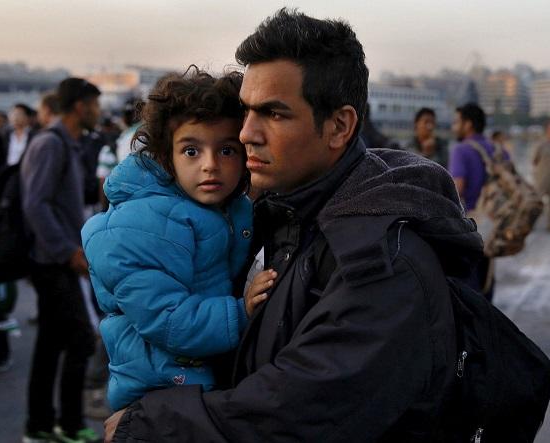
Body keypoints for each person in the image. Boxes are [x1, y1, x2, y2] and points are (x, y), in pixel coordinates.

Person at [103, 9, 483, 442]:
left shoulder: (382, 263)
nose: (246, 133)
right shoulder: (275, 216)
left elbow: (293, 415)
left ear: (339, 126)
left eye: (273, 114)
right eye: (246, 111)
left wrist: (148, 425)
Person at [82, 67, 271, 413]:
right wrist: (240, 311)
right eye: (191, 151)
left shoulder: (225, 208)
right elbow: (167, 319)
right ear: (166, 155)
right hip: (158, 388)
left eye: (227, 150)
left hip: (195, 379)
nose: (210, 165)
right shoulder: (142, 224)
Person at [20, 78, 101, 443]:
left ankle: (39, 425)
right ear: (80, 106)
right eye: (95, 105)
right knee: (81, 338)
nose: (98, 112)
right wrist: (68, 251)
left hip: (56, 257)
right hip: (52, 261)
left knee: (51, 343)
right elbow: (35, 204)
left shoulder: (65, 143)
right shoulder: (51, 144)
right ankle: (69, 426)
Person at [449, 103, 508, 301]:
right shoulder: (499, 150)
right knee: (487, 281)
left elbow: (457, 189)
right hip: (495, 225)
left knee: (468, 289)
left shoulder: (461, 150)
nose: (453, 127)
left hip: (471, 227)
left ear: (468, 124)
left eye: (457, 122)